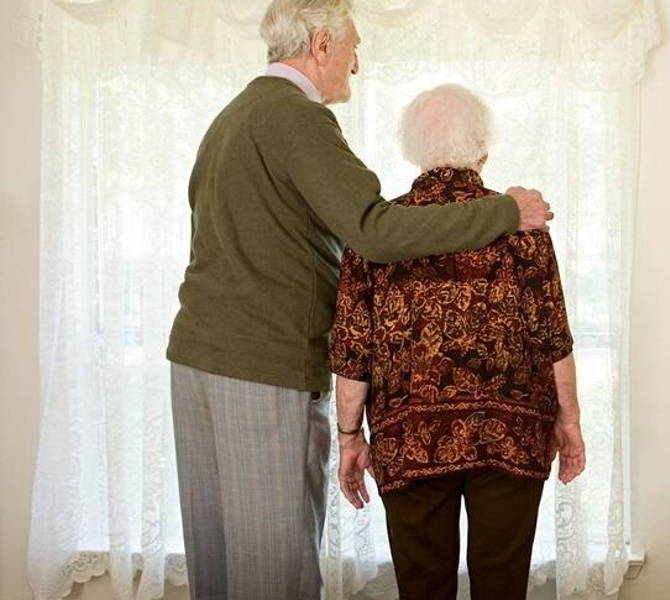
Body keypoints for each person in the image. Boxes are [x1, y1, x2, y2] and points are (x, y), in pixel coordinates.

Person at [165, 1, 554, 599]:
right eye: (353, 47)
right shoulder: (295, 116)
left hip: (199, 357)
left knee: (218, 563)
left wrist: (351, 430)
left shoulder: (233, 116)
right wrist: (506, 211)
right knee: (275, 568)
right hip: (259, 362)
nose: (357, 64)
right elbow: (375, 230)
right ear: (321, 45)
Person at [330, 83, 586, 600]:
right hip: (511, 436)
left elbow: (353, 351)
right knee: (502, 585)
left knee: (423, 588)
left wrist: (350, 437)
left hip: (410, 440)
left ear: (414, 151)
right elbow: (552, 335)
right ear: (482, 150)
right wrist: (570, 420)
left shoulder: (378, 232)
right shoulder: (523, 223)